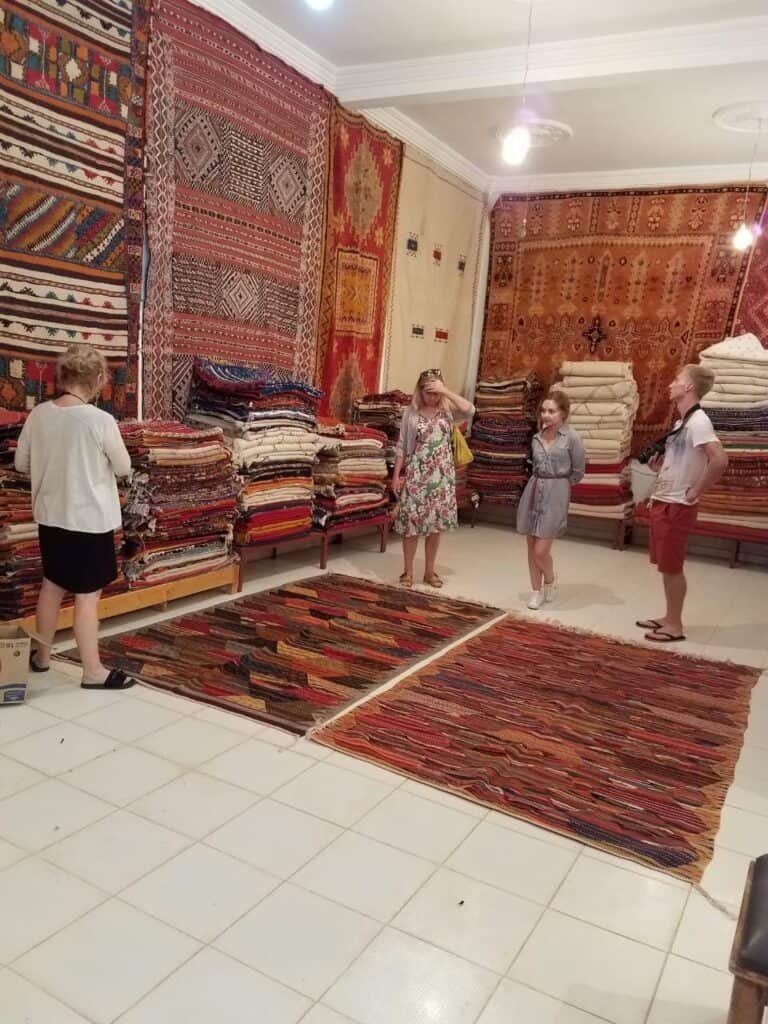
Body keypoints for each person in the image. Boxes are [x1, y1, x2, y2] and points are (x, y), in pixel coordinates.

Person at [14, 345, 137, 689]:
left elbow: (21, 464)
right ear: (97, 379)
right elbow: (124, 467)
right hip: (89, 521)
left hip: (51, 517)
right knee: (87, 596)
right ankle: (93, 672)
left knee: (52, 585)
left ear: (63, 376)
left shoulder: (39, 414)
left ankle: (41, 657)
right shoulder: (100, 421)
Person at [637, 364, 728, 643]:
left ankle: (675, 625)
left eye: (677, 380)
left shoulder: (699, 422)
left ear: (689, 387)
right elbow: (683, 461)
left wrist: (696, 490)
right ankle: (669, 617)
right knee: (666, 566)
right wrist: (660, 467)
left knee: (672, 567)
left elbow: (720, 460)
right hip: (665, 500)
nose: (670, 384)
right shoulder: (682, 424)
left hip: (678, 505)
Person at [391, 369, 474, 588]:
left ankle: (429, 571)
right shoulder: (411, 413)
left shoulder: (447, 412)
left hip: (442, 476)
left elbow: (470, 410)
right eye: (428, 392)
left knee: (435, 526)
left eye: (436, 392)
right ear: (420, 391)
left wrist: (445, 391)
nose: (432, 397)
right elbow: (402, 446)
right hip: (416, 475)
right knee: (411, 524)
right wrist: (397, 476)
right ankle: (408, 572)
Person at [517, 390, 585, 610]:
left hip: (556, 492)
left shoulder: (572, 438)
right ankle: (536, 590)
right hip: (534, 489)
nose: (546, 415)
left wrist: (560, 487)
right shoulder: (536, 437)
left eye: (552, 411)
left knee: (541, 551)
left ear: (563, 413)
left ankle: (550, 579)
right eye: (544, 410)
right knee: (531, 547)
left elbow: (578, 471)